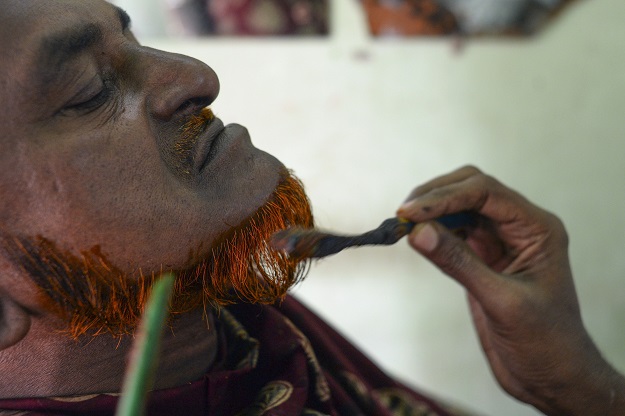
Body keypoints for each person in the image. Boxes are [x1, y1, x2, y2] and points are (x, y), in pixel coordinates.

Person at [0, 1, 622, 415]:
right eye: (87, 91)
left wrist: (581, 389)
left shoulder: (241, 309)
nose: (196, 75)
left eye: (133, 36)